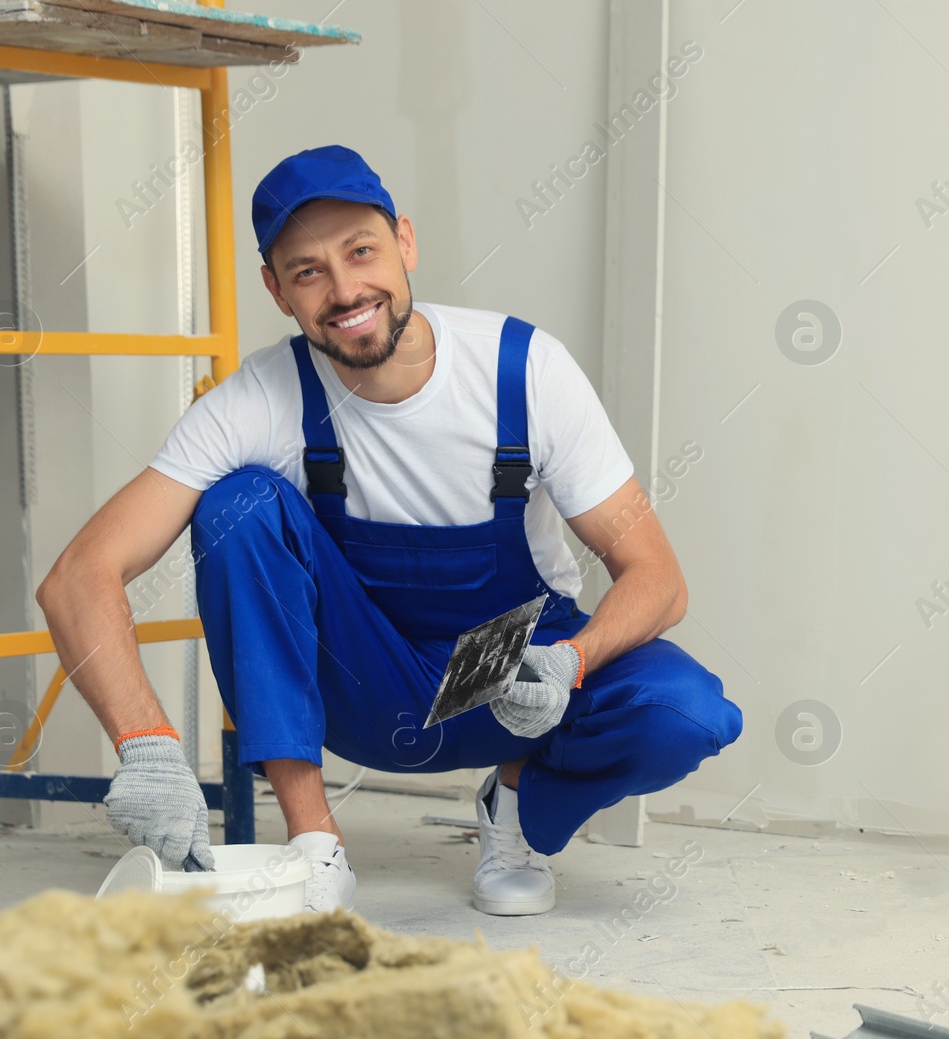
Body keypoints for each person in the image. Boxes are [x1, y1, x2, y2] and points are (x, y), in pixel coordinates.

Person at [37, 145, 743, 916]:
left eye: (361, 251)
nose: (344, 290)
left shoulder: (524, 370)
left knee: (687, 713)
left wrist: (570, 661)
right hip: (370, 682)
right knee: (235, 504)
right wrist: (147, 744)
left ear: (405, 242)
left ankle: (515, 809)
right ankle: (315, 845)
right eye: (308, 271)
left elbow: (657, 576)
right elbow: (79, 573)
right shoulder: (264, 398)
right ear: (277, 291)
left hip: (508, 670)